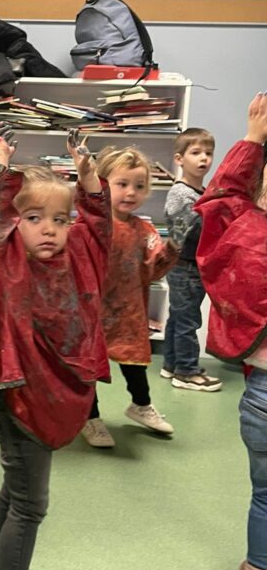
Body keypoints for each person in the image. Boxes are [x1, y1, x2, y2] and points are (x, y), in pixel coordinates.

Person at [0, 124, 110, 570]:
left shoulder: (80, 256)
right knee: (30, 503)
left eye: (60, 219)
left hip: (56, 394)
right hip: (22, 401)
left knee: (16, 490)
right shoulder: (4, 262)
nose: (50, 229)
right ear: (12, 221)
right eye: (33, 217)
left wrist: (89, 178)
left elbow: (99, 227)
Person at [196, 94, 267, 570]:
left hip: (263, 395)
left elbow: (221, 198)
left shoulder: (250, 233)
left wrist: (253, 140)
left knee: (265, 494)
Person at [81, 146, 184, 449]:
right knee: (88, 365)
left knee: (135, 361)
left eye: (139, 186)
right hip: (91, 311)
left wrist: (174, 246)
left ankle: (141, 404)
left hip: (129, 311)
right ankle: (90, 416)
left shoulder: (145, 230)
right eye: (122, 184)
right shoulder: (92, 225)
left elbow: (154, 270)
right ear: (102, 184)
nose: (131, 192)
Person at [160, 127, 221, 391]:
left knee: (178, 317)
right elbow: (184, 232)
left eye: (208, 153)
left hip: (190, 267)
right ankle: (186, 372)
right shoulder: (181, 194)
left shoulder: (200, 192)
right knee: (188, 321)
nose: (204, 158)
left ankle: (171, 364)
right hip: (185, 267)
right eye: (196, 152)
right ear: (179, 159)